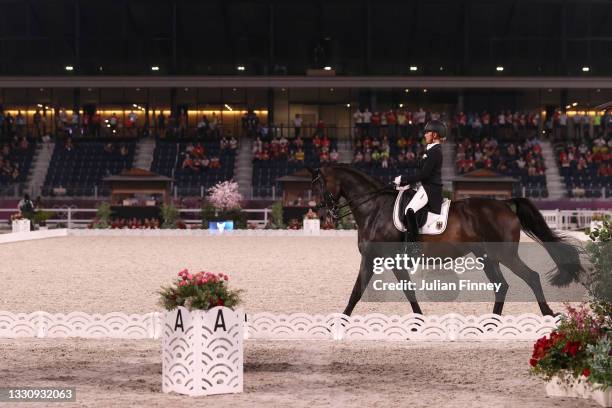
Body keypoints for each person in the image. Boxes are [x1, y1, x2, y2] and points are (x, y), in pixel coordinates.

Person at [394, 120, 445, 242]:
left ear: (435, 135)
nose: (425, 135)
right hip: (426, 186)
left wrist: (404, 179)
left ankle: (414, 247)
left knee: (409, 210)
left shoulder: (435, 151)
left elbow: (424, 174)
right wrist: (406, 183)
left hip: (430, 189)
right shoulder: (430, 150)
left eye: (428, 132)